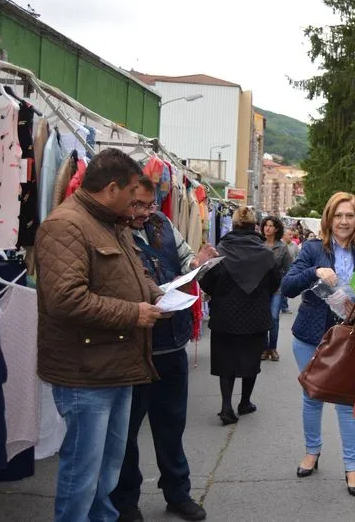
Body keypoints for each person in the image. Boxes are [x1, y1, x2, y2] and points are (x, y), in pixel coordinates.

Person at [34, 149, 164, 522]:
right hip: (85, 372)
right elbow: (66, 299)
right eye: (132, 193)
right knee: (83, 473)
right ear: (111, 188)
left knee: (107, 471)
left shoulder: (111, 223)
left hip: (115, 366)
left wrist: (157, 295)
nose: (136, 202)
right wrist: (134, 313)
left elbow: (130, 275)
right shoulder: (66, 226)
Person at [108, 177, 214, 522]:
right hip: (133, 348)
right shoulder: (111, 230)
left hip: (171, 344)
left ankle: (177, 493)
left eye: (150, 204)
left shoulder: (162, 223)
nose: (144, 212)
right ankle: (126, 502)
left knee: (171, 426)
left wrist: (197, 263)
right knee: (126, 433)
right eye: (137, 205)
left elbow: (184, 260)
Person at [281, 192, 355, 497]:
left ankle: (351, 466)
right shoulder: (311, 249)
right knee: (312, 397)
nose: (344, 221)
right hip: (310, 336)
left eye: (350, 216)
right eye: (338, 215)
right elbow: (287, 287)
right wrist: (314, 272)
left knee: (347, 402)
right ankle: (312, 452)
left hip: (349, 339)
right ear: (329, 219)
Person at [198, 206, 279, 425]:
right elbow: (275, 283)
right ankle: (245, 402)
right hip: (255, 316)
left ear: (233, 226)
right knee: (251, 360)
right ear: (254, 226)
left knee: (226, 362)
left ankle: (226, 406)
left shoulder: (220, 251)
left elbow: (206, 282)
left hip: (224, 316)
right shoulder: (266, 254)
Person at [261, 216, 293, 361]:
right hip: (261, 288)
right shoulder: (259, 245)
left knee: (274, 317)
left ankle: (272, 348)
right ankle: (263, 348)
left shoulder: (282, 247)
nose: (267, 228)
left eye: (271, 226)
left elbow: (289, 268)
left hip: (277, 288)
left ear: (276, 229)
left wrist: (284, 283)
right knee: (262, 317)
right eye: (265, 225)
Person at [280, 228, 300, 314]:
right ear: (283, 235)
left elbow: (298, 256)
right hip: (280, 271)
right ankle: (282, 306)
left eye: (292, 234)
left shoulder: (294, 245)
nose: (291, 236)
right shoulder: (279, 244)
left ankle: (284, 307)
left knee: (284, 288)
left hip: (290, 270)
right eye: (289, 235)